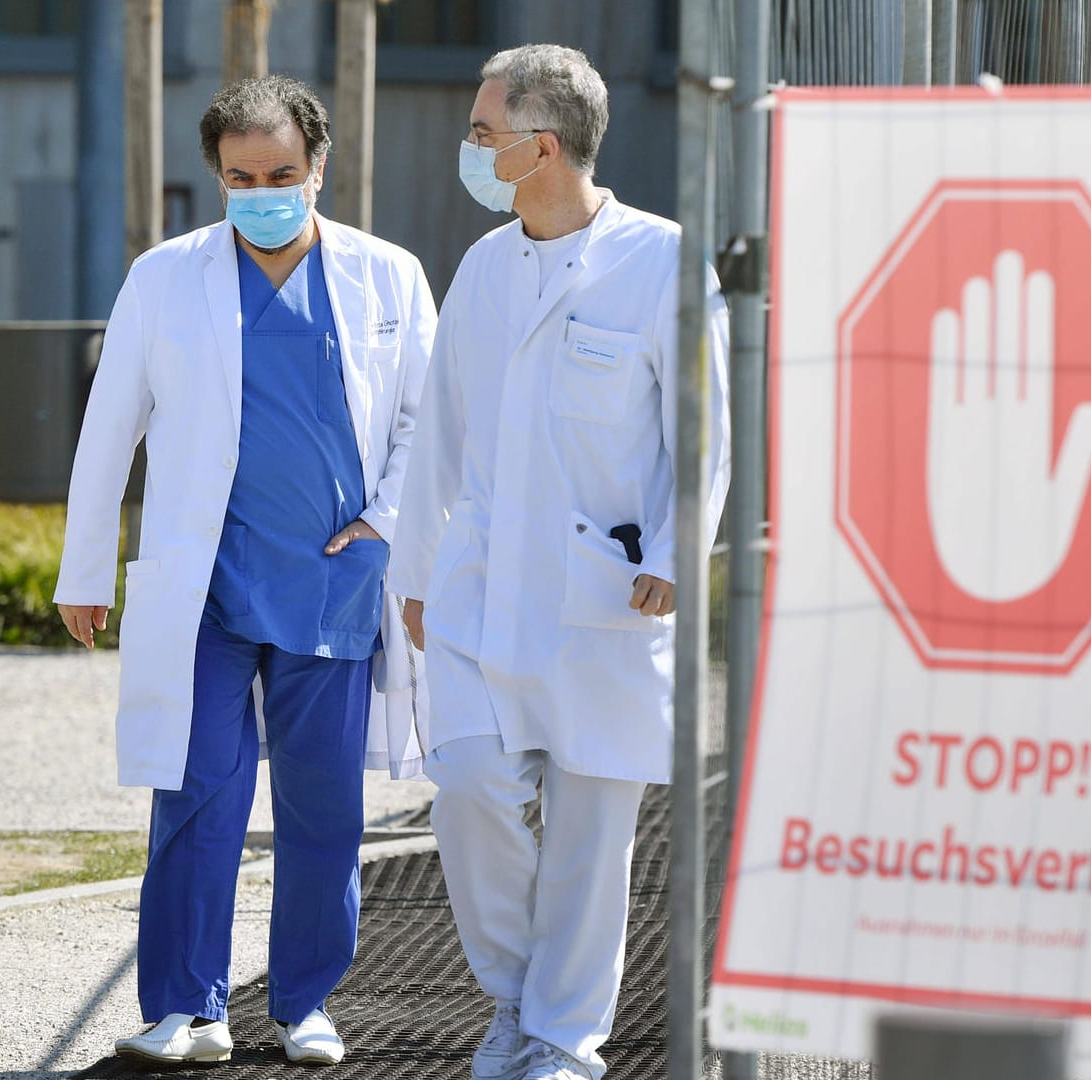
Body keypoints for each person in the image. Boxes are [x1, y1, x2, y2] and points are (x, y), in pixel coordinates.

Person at [54, 74, 436, 1066]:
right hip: (209, 587)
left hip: (333, 582)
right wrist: (82, 569)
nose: (260, 190)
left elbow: (428, 425)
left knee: (323, 809)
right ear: (216, 177)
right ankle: (186, 1006)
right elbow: (109, 432)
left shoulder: (388, 276)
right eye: (239, 175)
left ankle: (302, 1004)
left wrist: (389, 523)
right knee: (196, 795)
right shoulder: (164, 276)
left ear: (318, 169)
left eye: (279, 173)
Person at [387, 43, 731, 1080]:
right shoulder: (484, 267)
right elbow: (437, 431)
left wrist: (679, 551)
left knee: (592, 839)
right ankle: (512, 999)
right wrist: (414, 568)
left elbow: (707, 431)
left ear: (541, 147)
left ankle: (558, 1041)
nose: (471, 149)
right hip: (481, 591)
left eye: (483, 132)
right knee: (469, 787)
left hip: (608, 599)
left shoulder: (664, 261)